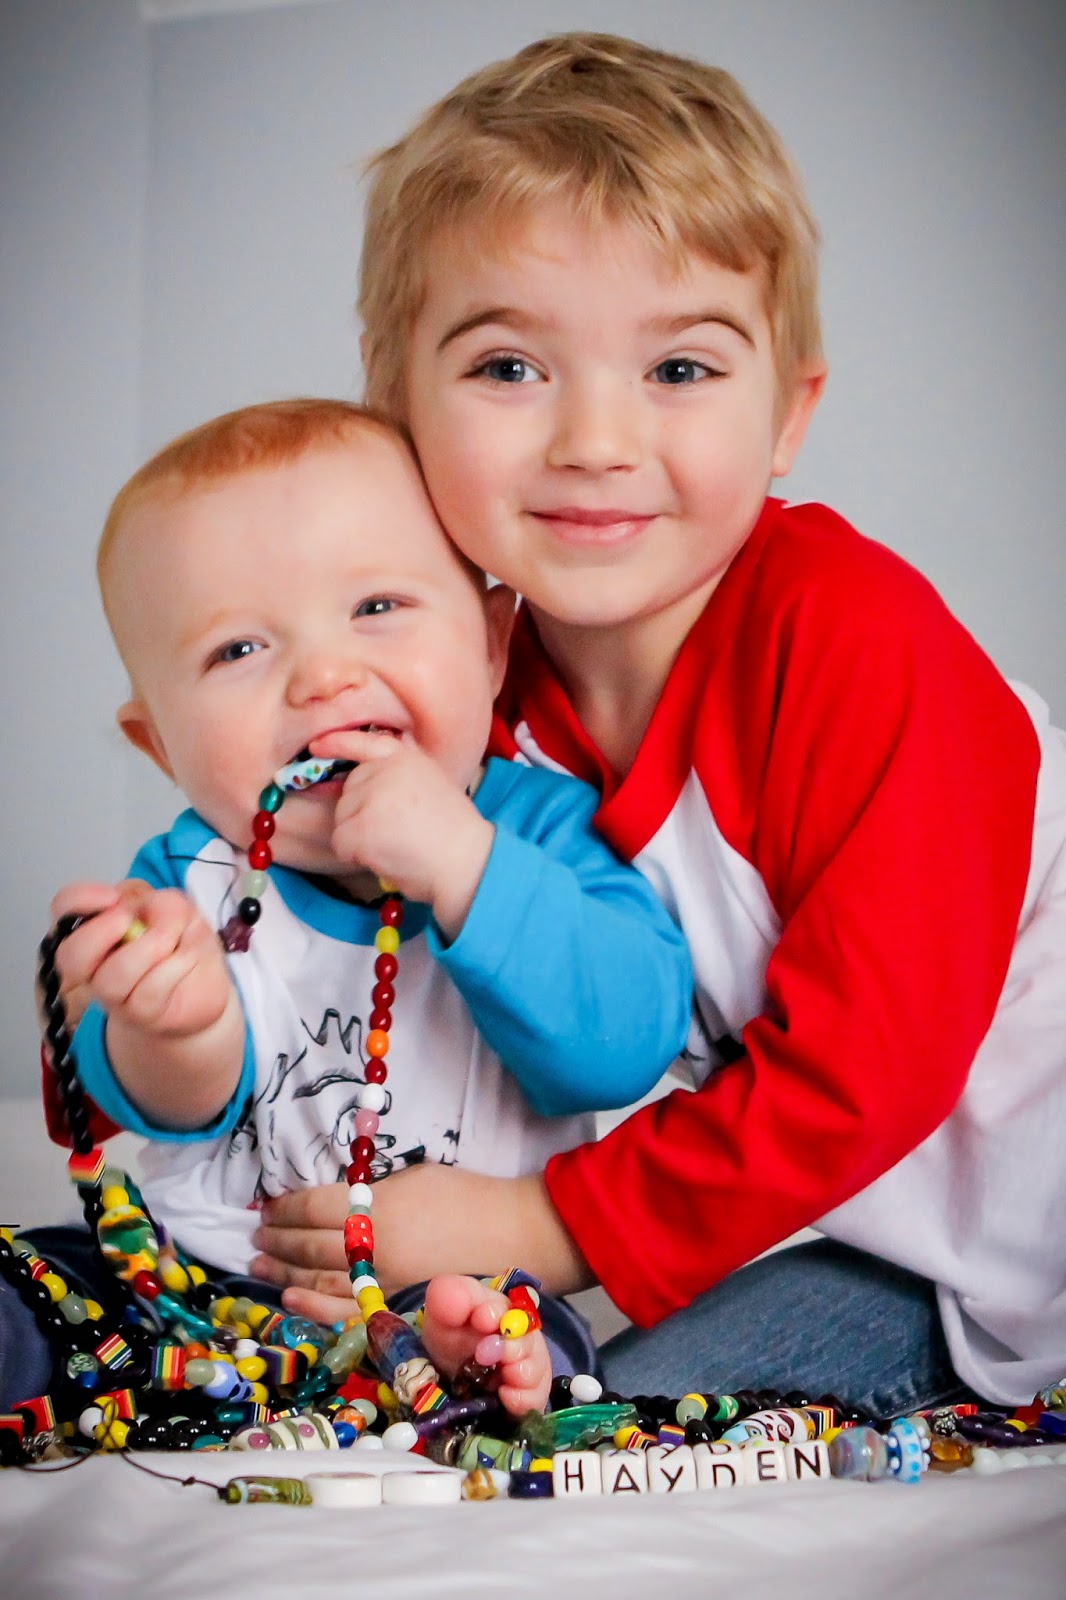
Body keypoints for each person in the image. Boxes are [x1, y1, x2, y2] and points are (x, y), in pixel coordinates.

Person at [252, 33, 1066, 1416]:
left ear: (786, 415)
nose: (594, 439)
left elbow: (857, 1083)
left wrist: (532, 1223)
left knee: (602, 1425)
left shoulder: (853, 640)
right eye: (509, 367)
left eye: (679, 370)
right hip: (832, 1219)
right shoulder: (472, 687)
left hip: (999, 1242)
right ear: (394, 402)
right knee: (438, 1385)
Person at [6, 396, 695, 1416]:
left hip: (435, 1294)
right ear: (162, 747)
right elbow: (150, 1097)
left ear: (493, 648)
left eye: (376, 606)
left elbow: (624, 1046)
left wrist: (466, 867)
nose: (324, 676)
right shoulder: (193, 879)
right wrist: (174, 1025)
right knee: (36, 1282)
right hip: (188, 1289)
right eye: (239, 650)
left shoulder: (541, 836)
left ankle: (465, 1380)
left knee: (512, 1332)